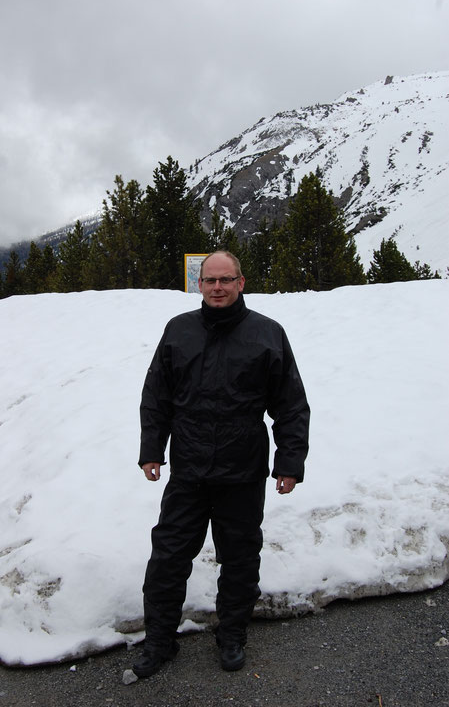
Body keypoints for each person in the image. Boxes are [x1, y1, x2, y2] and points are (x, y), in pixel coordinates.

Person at [132, 251, 310, 678]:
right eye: (210, 280)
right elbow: (156, 395)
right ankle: (159, 640)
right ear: (200, 284)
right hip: (189, 469)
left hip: (242, 470)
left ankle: (231, 635)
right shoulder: (179, 331)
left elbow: (290, 405)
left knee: (241, 558)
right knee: (168, 557)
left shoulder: (268, 334)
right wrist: (152, 449)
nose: (217, 287)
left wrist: (290, 461)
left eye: (225, 280)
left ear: (240, 282)